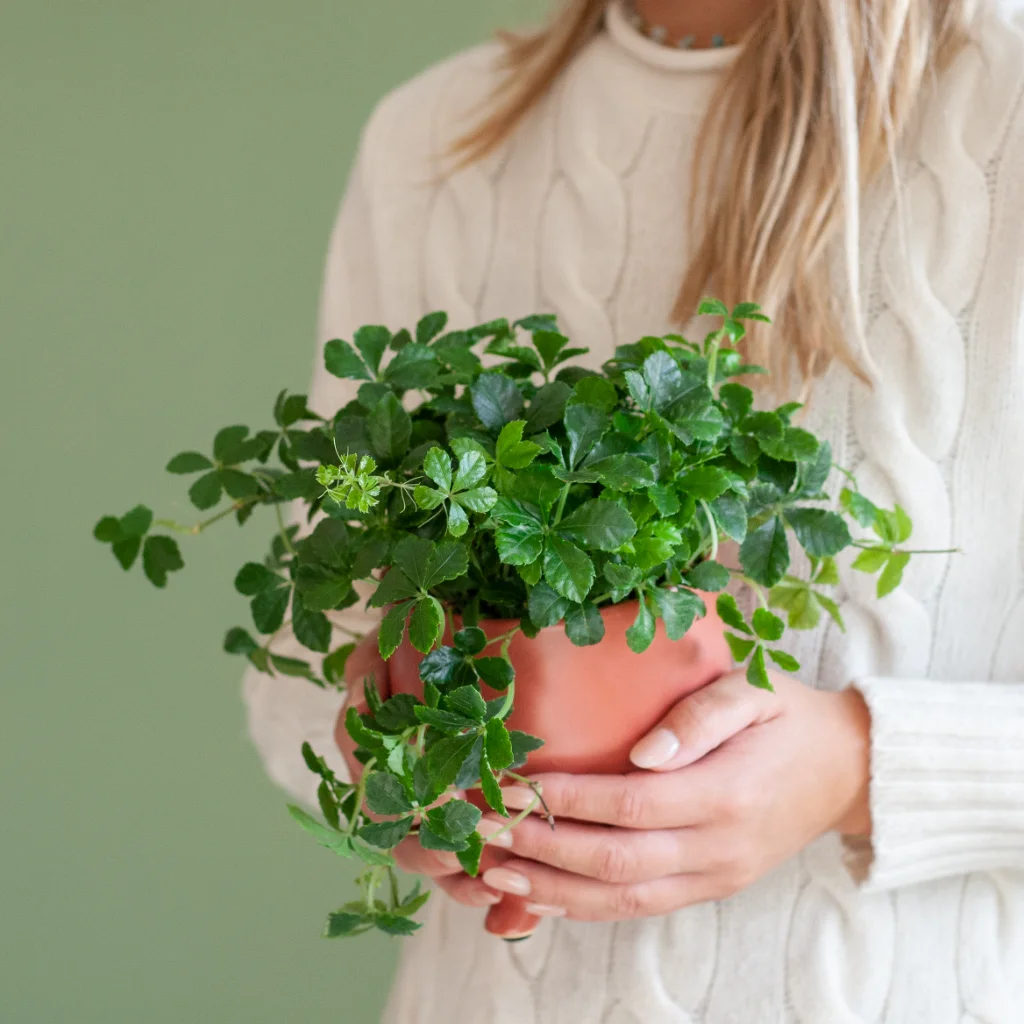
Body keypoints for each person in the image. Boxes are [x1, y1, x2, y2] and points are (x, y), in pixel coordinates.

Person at [243, 0, 1024, 1019]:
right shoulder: (431, 140)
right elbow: (296, 677)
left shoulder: (996, 98)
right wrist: (392, 760)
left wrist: (856, 765)